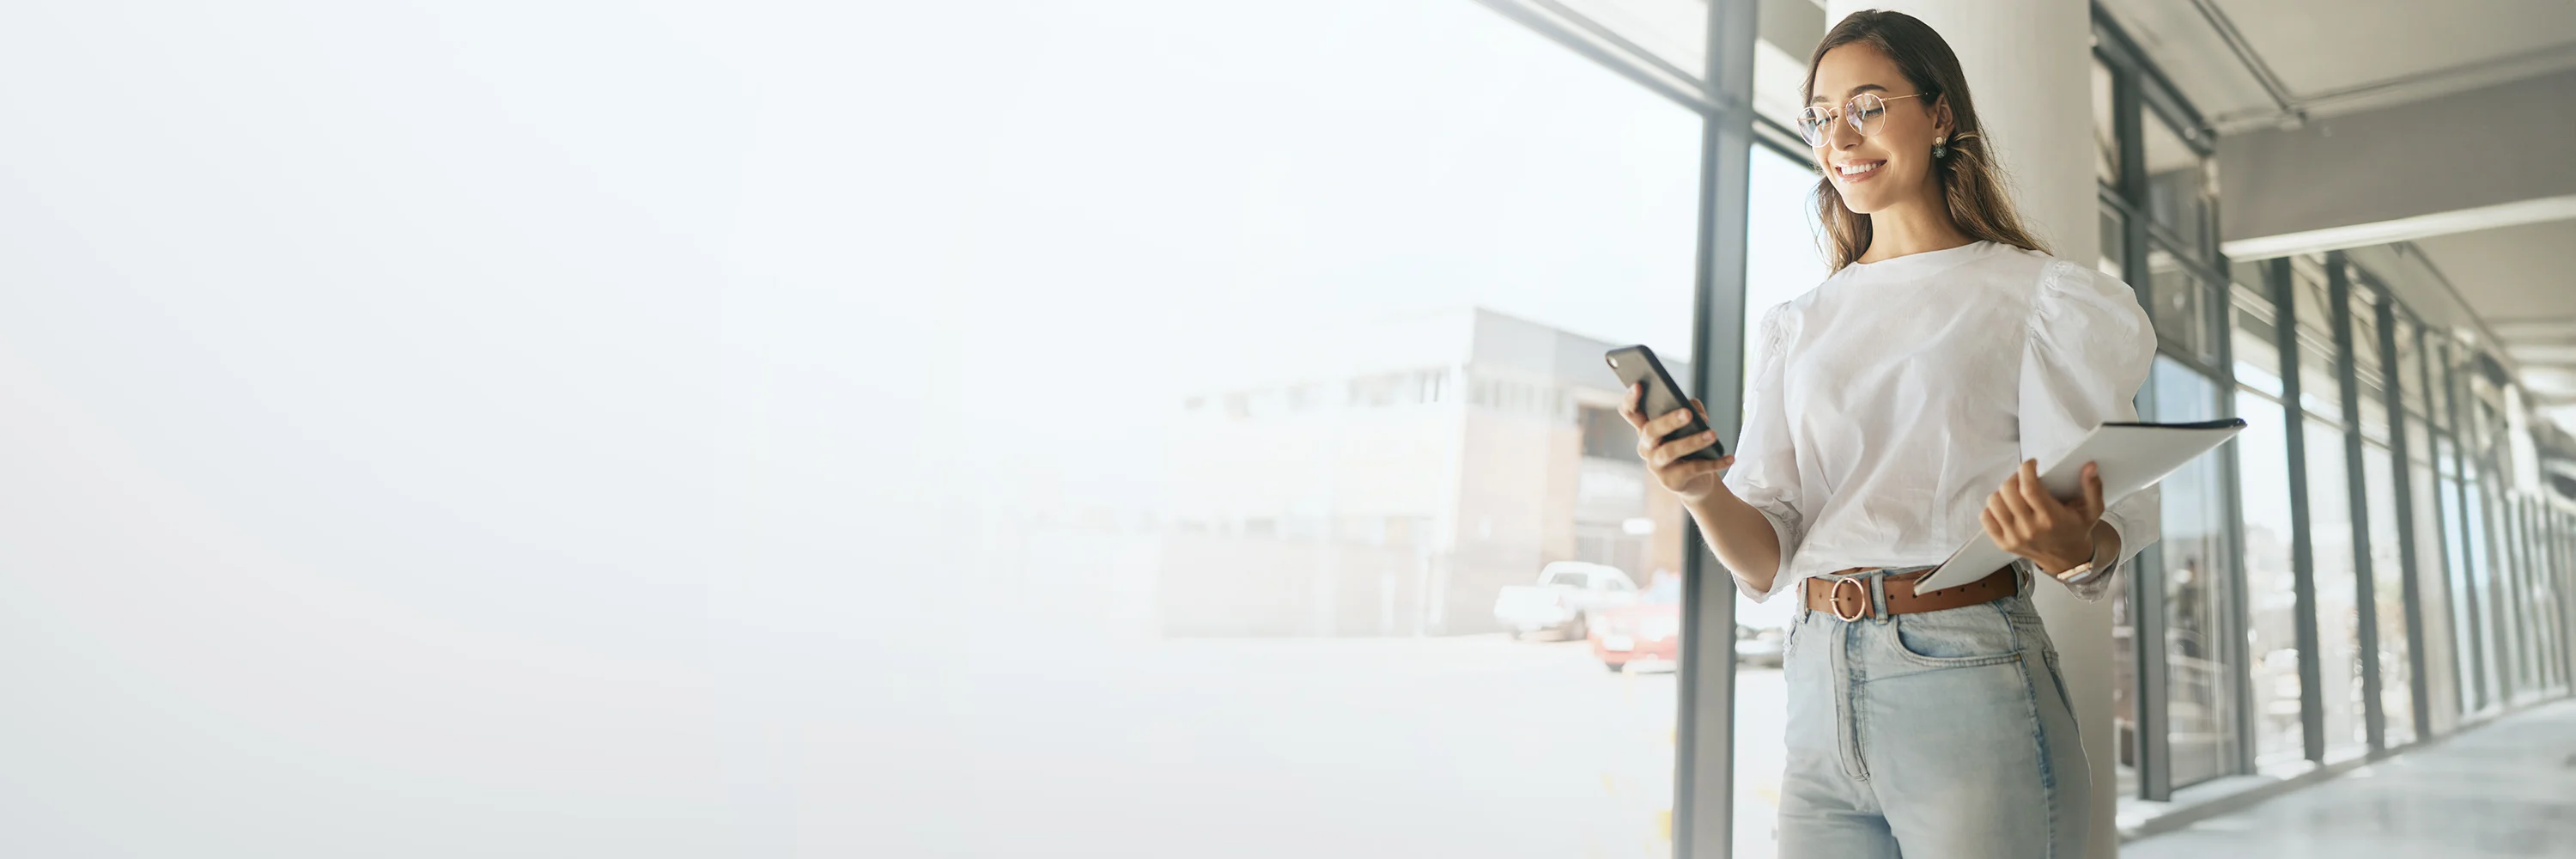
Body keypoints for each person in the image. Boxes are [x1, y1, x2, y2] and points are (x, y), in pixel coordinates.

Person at [1619, 10, 2156, 858]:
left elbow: (2111, 510)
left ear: (1940, 117)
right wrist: (1699, 491)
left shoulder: (2036, 297)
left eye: (1868, 105)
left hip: (1969, 676)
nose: (1842, 135)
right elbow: (1767, 557)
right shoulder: (1799, 323)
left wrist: (2074, 542)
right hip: (1818, 678)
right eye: (1822, 115)